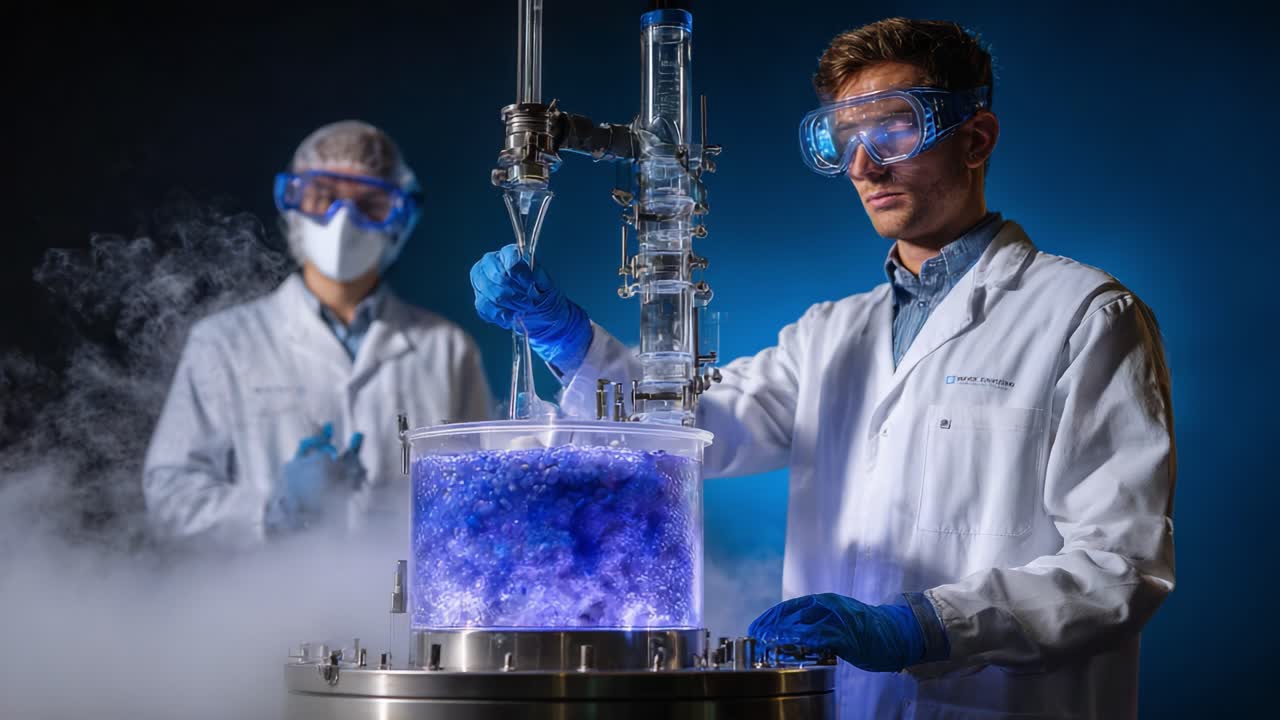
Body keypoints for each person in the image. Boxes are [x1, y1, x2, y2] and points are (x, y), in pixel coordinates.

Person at [469, 18, 1175, 720]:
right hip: (841, 704)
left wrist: (924, 627)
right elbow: (687, 429)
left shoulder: (1084, 317)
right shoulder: (828, 335)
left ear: (976, 138)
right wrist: (566, 341)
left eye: (895, 129)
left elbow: (1117, 570)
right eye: (843, 138)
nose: (865, 165)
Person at [144, 120, 493, 548]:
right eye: (323, 197)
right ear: (293, 202)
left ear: (399, 219)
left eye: (370, 203)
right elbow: (171, 495)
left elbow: (481, 494)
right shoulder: (223, 342)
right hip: (261, 607)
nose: (343, 219)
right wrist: (273, 510)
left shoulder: (447, 349)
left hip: (400, 603)